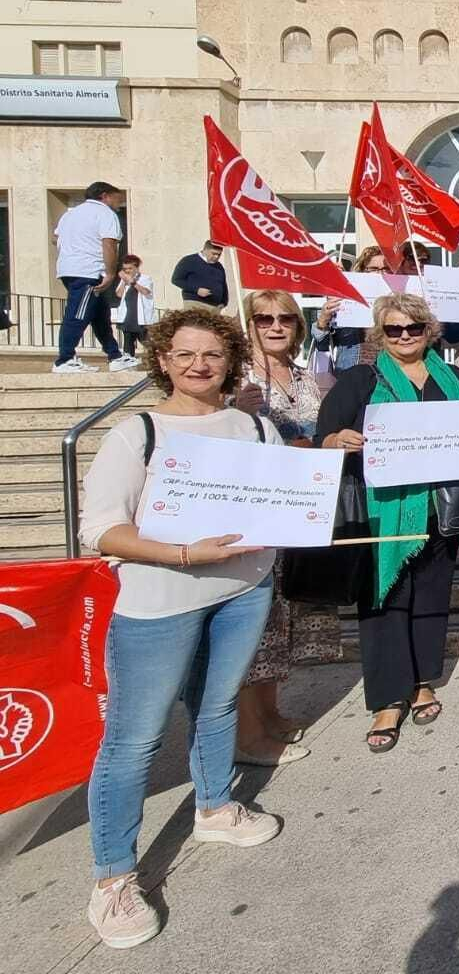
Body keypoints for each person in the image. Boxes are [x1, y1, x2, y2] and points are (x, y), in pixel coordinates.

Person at [79, 306, 283, 949]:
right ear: (163, 360)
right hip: (159, 600)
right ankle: (114, 877)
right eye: (186, 354)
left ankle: (215, 806)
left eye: (213, 354)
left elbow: (284, 500)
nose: (200, 365)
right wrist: (184, 554)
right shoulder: (135, 433)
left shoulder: (257, 427)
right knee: (134, 739)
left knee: (218, 706)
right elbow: (100, 530)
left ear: (231, 362)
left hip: (243, 591)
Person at [314, 293, 459, 753]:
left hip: (443, 510)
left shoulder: (454, 378)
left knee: (432, 597)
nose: (404, 336)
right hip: (386, 515)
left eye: (413, 328)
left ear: (428, 331)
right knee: (385, 601)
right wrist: (338, 440)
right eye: (393, 329)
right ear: (380, 334)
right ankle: (386, 700)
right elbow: (324, 435)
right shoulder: (361, 380)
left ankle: (422, 682)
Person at [228, 290, 340, 765]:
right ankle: (248, 736)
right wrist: (236, 410)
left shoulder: (306, 376)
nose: (275, 326)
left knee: (280, 623)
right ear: (248, 324)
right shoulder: (235, 379)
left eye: (286, 319)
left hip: (299, 513)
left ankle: (270, 714)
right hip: (253, 516)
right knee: (252, 627)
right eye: (263, 318)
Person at [53, 180, 138, 374]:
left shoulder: (71, 214)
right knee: (77, 314)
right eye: (117, 198)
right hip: (88, 272)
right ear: (104, 196)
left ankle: (115, 355)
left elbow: (55, 238)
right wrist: (110, 273)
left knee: (100, 314)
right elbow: (109, 244)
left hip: (70, 269)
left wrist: (73, 250)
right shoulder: (105, 213)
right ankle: (64, 359)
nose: (119, 203)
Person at [313, 245, 390, 372]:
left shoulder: (398, 301)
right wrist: (323, 320)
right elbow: (322, 346)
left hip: (388, 376)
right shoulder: (346, 301)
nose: (380, 273)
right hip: (350, 374)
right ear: (362, 271)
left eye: (386, 269)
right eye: (373, 269)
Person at [112, 255, 155, 358]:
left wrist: (133, 282)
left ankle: (156, 359)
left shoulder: (145, 278)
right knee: (128, 342)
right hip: (128, 317)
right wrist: (124, 281)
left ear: (136, 267)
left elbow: (146, 292)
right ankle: (128, 359)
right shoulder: (124, 280)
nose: (127, 271)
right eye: (125, 269)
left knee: (146, 341)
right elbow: (119, 294)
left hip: (141, 318)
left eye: (130, 268)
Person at [171, 240, 230, 308]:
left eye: (219, 254)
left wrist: (224, 302)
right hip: (195, 304)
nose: (216, 257)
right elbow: (176, 280)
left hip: (215, 307)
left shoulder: (219, 266)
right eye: (214, 253)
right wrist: (197, 290)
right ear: (205, 250)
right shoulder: (189, 261)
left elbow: (223, 285)